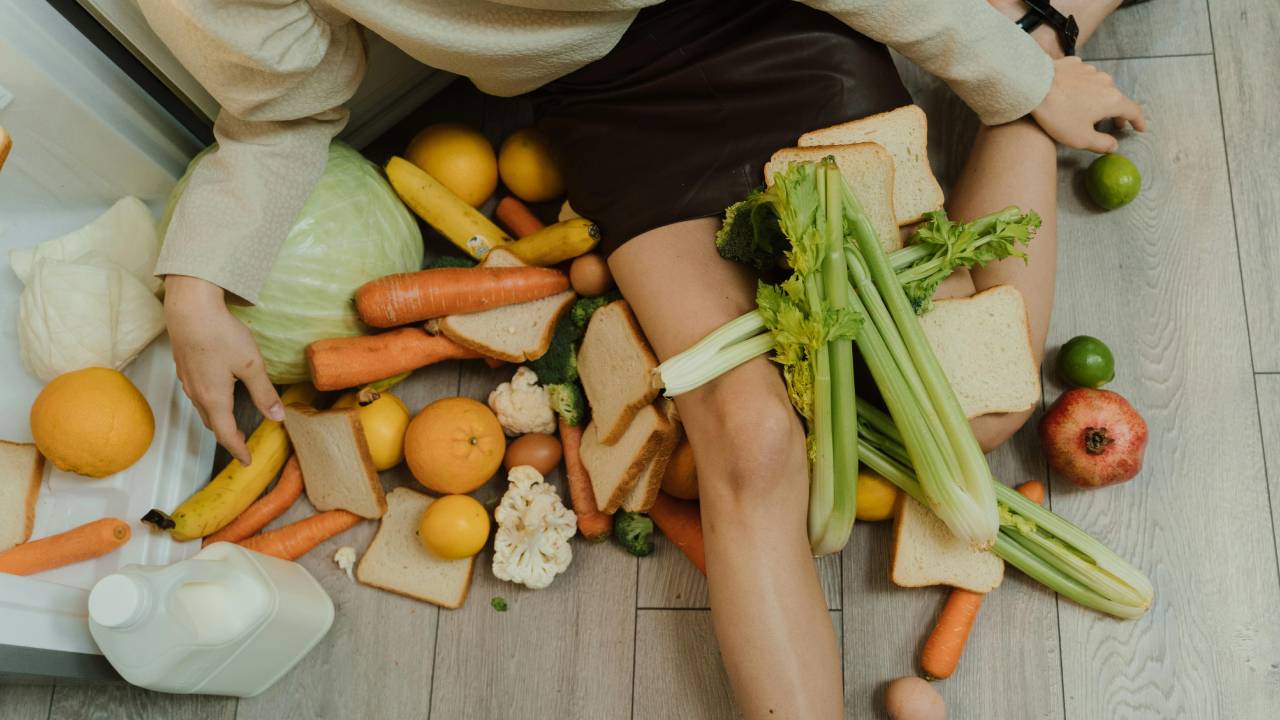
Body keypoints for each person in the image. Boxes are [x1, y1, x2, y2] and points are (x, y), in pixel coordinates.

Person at [140, 1, 1144, 717]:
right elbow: (282, 101)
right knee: (746, 443)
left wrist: (1015, 77)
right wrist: (195, 280)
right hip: (604, 99)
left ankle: (1040, 33)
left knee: (983, 414)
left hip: (771, 24)